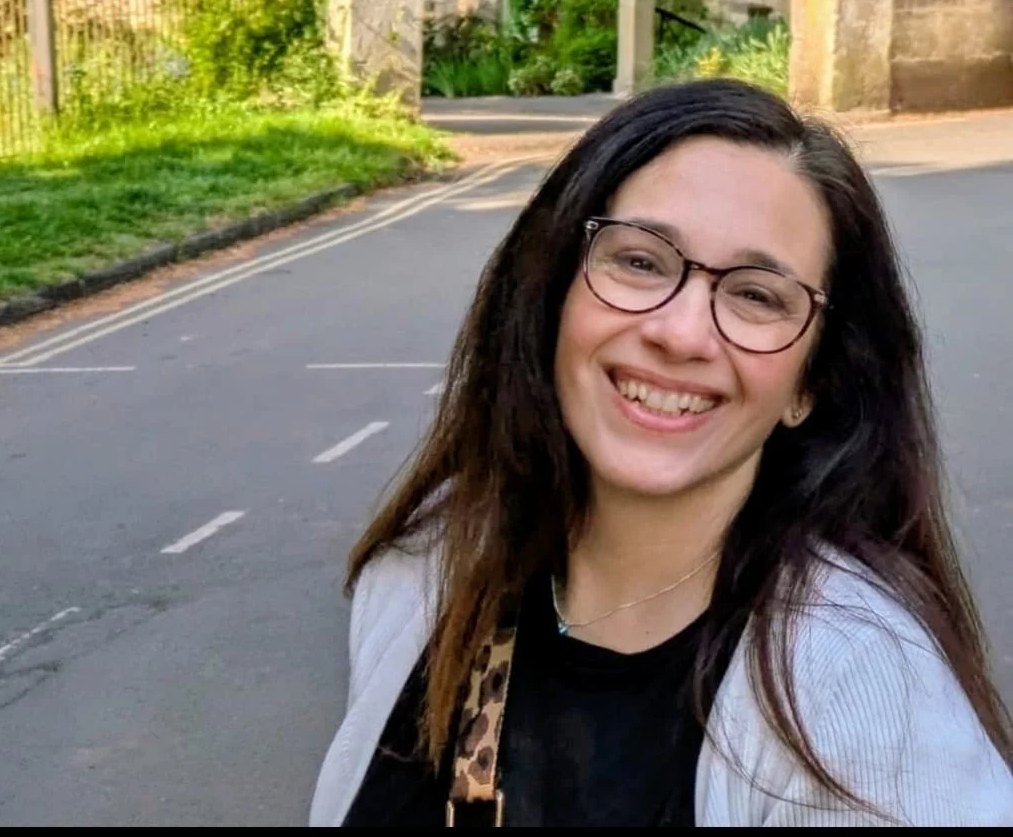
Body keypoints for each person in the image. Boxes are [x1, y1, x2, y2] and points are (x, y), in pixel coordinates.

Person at [311, 79, 1013, 826]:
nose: (680, 334)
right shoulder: (429, 570)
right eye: (641, 261)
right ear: (552, 293)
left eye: (756, 296)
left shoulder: (859, 699)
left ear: (811, 382)